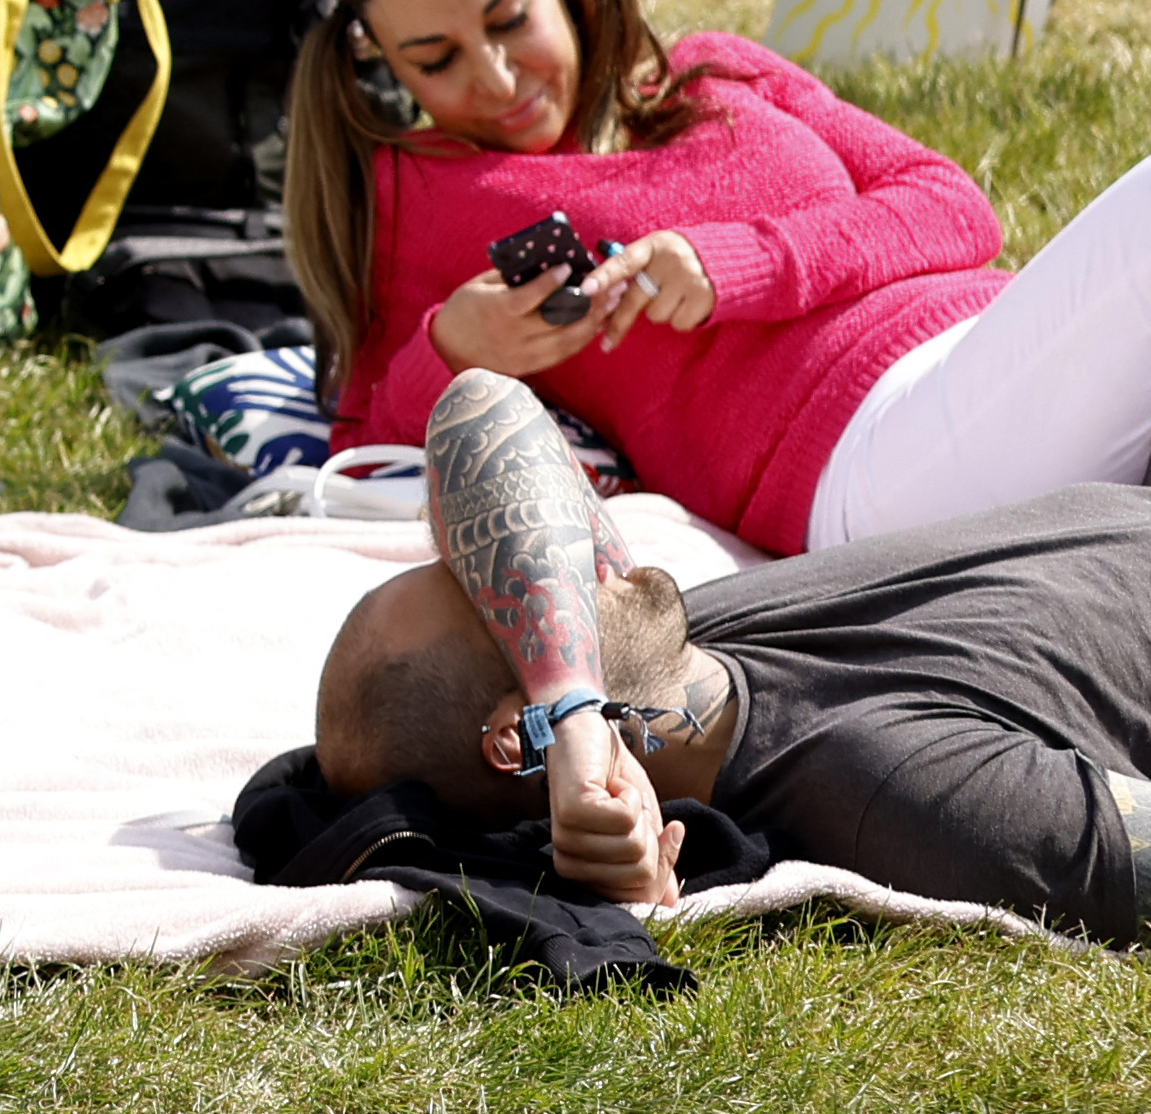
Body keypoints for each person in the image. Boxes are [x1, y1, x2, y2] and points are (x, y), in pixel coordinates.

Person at [292, 0, 1151, 558]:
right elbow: (357, 458)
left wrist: (737, 263)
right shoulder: (420, 195)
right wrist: (453, 346)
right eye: (436, 61)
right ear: (386, 68)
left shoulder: (716, 69)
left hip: (996, 350)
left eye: (512, 20)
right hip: (859, 460)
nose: (496, 78)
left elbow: (956, 208)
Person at [316, 387, 1151, 939]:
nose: (566, 556)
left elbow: (482, 405)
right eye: (523, 595)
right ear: (512, 737)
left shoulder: (692, 640)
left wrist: (571, 709)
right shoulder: (890, 791)